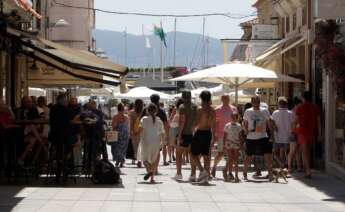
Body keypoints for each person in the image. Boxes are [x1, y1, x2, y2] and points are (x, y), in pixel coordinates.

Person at [242, 96, 274, 181]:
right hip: (251, 137)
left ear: (259, 102)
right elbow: (244, 122)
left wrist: (272, 135)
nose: (256, 103)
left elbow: (269, 123)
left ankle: (270, 174)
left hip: (263, 136)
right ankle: (244, 173)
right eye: (254, 101)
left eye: (258, 101)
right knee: (248, 156)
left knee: (268, 156)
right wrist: (245, 130)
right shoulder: (248, 111)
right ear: (252, 102)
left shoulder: (265, 111)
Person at [294, 91, 321, 178]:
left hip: (302, 132)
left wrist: (293, 128)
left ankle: (308, 170)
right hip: (312, 132)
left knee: (304, 152)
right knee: (308, 151)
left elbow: (296, 121)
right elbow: (318, 122)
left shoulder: (299, 107)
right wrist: (320, 134)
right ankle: (307, 170)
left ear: (303, 98)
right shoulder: (315, 107)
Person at [191, 90, 216, 184]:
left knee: (193, 153)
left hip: (200, 132)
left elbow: (196, 123)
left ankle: (202, 170)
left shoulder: (200, 109)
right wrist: (214, 136)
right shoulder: (213, 110)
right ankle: (205, 176)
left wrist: (191, 127)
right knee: (206, 155)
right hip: (208, 133)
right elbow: (213, 124)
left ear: (201, 98)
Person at [49, 94, 75, 183]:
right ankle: (64, 165)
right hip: (65, 137)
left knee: (59, 151)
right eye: (65, 100)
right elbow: (72, 119)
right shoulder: (67, 109)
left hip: (54, 137)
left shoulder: (52, 109)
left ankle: (59, 168)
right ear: (61, 100)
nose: (66, 101)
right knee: (71, 146)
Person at [211, 94, 237, 179]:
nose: (226, 99)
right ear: (221, 99)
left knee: (231, 154)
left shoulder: (233, 108)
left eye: (227, 98)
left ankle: (229, 171)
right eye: (224, 98)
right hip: (221, 134)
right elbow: (214, 123)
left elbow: (236, 120)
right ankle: (214, 166)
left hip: (232, 135)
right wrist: (214, 135)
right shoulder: (217, 109)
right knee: (220, 154)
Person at [174, 91, 197, 181]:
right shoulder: (195, 106)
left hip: (184, 133)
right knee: (192, 154)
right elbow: (196, 121)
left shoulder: (182, 107)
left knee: (179, 154)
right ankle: (193, 174)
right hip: (193, 133)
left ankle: (179, 173)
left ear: (183, 97)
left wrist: (179, 134)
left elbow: (182, 121)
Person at [139, 103, 164, 183]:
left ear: (147, 111)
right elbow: (162, 132)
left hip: (146, 141)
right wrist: (163, 142)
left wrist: (136, 134)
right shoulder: (159, 120)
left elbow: (140, 129)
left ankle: (149, 171)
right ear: (156, 111)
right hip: (156, 141)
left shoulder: (144, 119)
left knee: (145, 159)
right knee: (153, 160)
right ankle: (152, 178)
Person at [15, 96, 42, 165]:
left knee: (33, 139)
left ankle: (22, 158)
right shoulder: (19, 110)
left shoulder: (34, 109)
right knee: (31, 126)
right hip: (22, 131)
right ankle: (44, 147)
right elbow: (17, 121)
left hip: (32, 132)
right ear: (23, 102)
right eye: (27, 102)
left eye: (30, 102)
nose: (29, 103)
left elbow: (38, 122)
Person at [144, 94, 169, 166]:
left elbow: (141, 121)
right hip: (159, 133)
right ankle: (162, 162)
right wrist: (166, 134)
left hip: (148, 133)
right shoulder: (161, 111)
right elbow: (166, 123)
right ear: (158, 100)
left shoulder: (146, 110)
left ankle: (150, 165)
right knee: (159, 150)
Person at [271, 96, 294, 169]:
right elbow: (293, 124)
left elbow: (272, 124)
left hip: (277, 137)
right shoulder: (291, 113)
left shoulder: (275, 113)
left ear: (278, 104)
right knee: (287, 153)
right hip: (288, 136)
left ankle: (282, 164)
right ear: (286, 104)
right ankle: (287, 166)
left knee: (275, 153)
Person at [223, 113, 244, 182]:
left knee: (236, 160)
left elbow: (240, 135)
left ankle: (236, 176)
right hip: (229, 143)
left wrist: (241, 144)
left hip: (236, 143)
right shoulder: (227, 125)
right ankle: (227, 171)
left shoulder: (239, 126)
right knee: (230, 158)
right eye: (232, 117)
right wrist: (224, 145)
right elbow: (225, 135)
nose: (233, 118)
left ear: (237, 118)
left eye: (235, 117)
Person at [111, 103, 129, 167]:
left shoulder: (115, 117)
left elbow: (114, 126)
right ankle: (122, 160)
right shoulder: (126, 117)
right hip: (125, 134)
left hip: (117, 134)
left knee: (117, 147)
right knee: (123, 148)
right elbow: (127, 126)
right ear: (123, 109)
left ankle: (117, 160)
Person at [288, 97, 303, 173]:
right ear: (296, 105)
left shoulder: (299, 112)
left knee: (298, 151)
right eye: (300, 104)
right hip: (293, 133)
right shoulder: (292, 113)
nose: (301, 106)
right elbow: (292, 124)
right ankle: (289, 167)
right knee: (292, 151)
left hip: (299, 132)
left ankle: (299, 167)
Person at [129, 99, 144, 167]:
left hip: (135, 131)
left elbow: (131, 123)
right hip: (142, 131)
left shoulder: (132, 112)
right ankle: (140, 160)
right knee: (141, 146)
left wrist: (131, 131)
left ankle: (137, 159)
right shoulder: (144, 111)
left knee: (136, 146)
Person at [168, 99, 184, 163]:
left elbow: (171, 117)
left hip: (174, 126)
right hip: (180, 126)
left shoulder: (175, 109)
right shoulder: (183, 109)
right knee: (179, 143)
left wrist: (168, 124)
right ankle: (180, 158)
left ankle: (171, 157)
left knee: (172, 143)